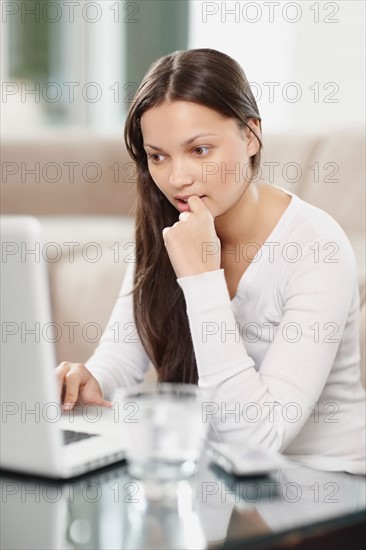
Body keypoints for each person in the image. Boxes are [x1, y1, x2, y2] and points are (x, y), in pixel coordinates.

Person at [56, 48, 365, 474]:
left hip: (325, 486)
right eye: (158, 156)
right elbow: (121, 359)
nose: (177, 178)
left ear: (251, 135)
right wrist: (87, 380)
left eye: (199, 150)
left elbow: (257, 439)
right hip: (218, 480)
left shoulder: (317, 248)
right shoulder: (169, 228)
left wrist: (202, 279)